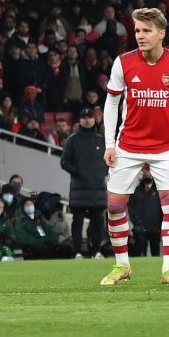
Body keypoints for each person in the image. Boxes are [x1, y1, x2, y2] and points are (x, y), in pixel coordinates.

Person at [100, 7, 169, 286]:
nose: (140, 36)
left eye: (146, 31)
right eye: (137, 30)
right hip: (128, 146)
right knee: (114, 206)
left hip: (165, 148)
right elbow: (111, 103)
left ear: (161, 34)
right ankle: (122, 265)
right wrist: (110, 143)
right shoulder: (123, 62)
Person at [60, 106, 108, 257]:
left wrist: (101, 173)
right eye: (84, 118)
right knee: (78, 221)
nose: (87, 120)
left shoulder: (101, 140)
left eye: (90, 117)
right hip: (79, 188)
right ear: (80, 120)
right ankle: (78, 252)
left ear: (94, 120)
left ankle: (97, 252)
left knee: (98, 223)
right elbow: (64, 162)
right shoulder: (73, 140)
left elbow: (109, 161)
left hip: (97, 189)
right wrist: (78, 173)